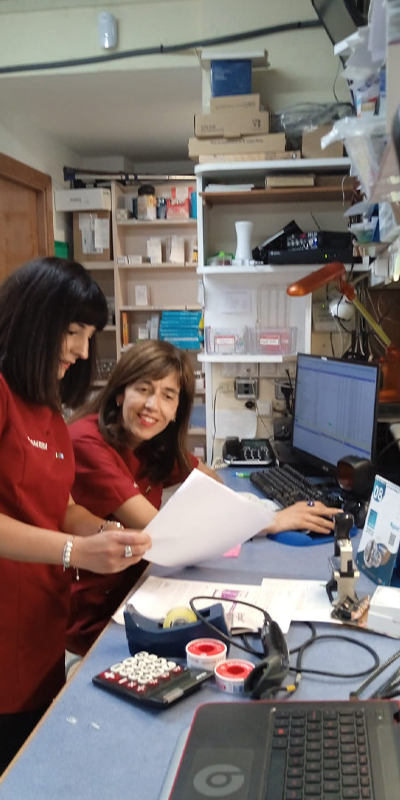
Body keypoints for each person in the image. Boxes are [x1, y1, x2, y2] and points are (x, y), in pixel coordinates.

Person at [66, 339, 339, 657]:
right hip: (97, 614)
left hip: (140, 590)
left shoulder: (150, 442)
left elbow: (212, 481)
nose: (153, 405)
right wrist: (269, 521)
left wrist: (241, 512)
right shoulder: (88, 442)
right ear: (119, 393)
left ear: (176, 411)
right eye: (143, 389)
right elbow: (161, 532)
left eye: (168, 396)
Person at [0, 257, 151, 774]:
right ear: (33, 320)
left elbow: (59, 506)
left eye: (89, 337)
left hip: (41, 628)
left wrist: (107, 532)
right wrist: (76, 551)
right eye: (72, 332)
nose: (83, 351)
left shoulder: (47, 407)